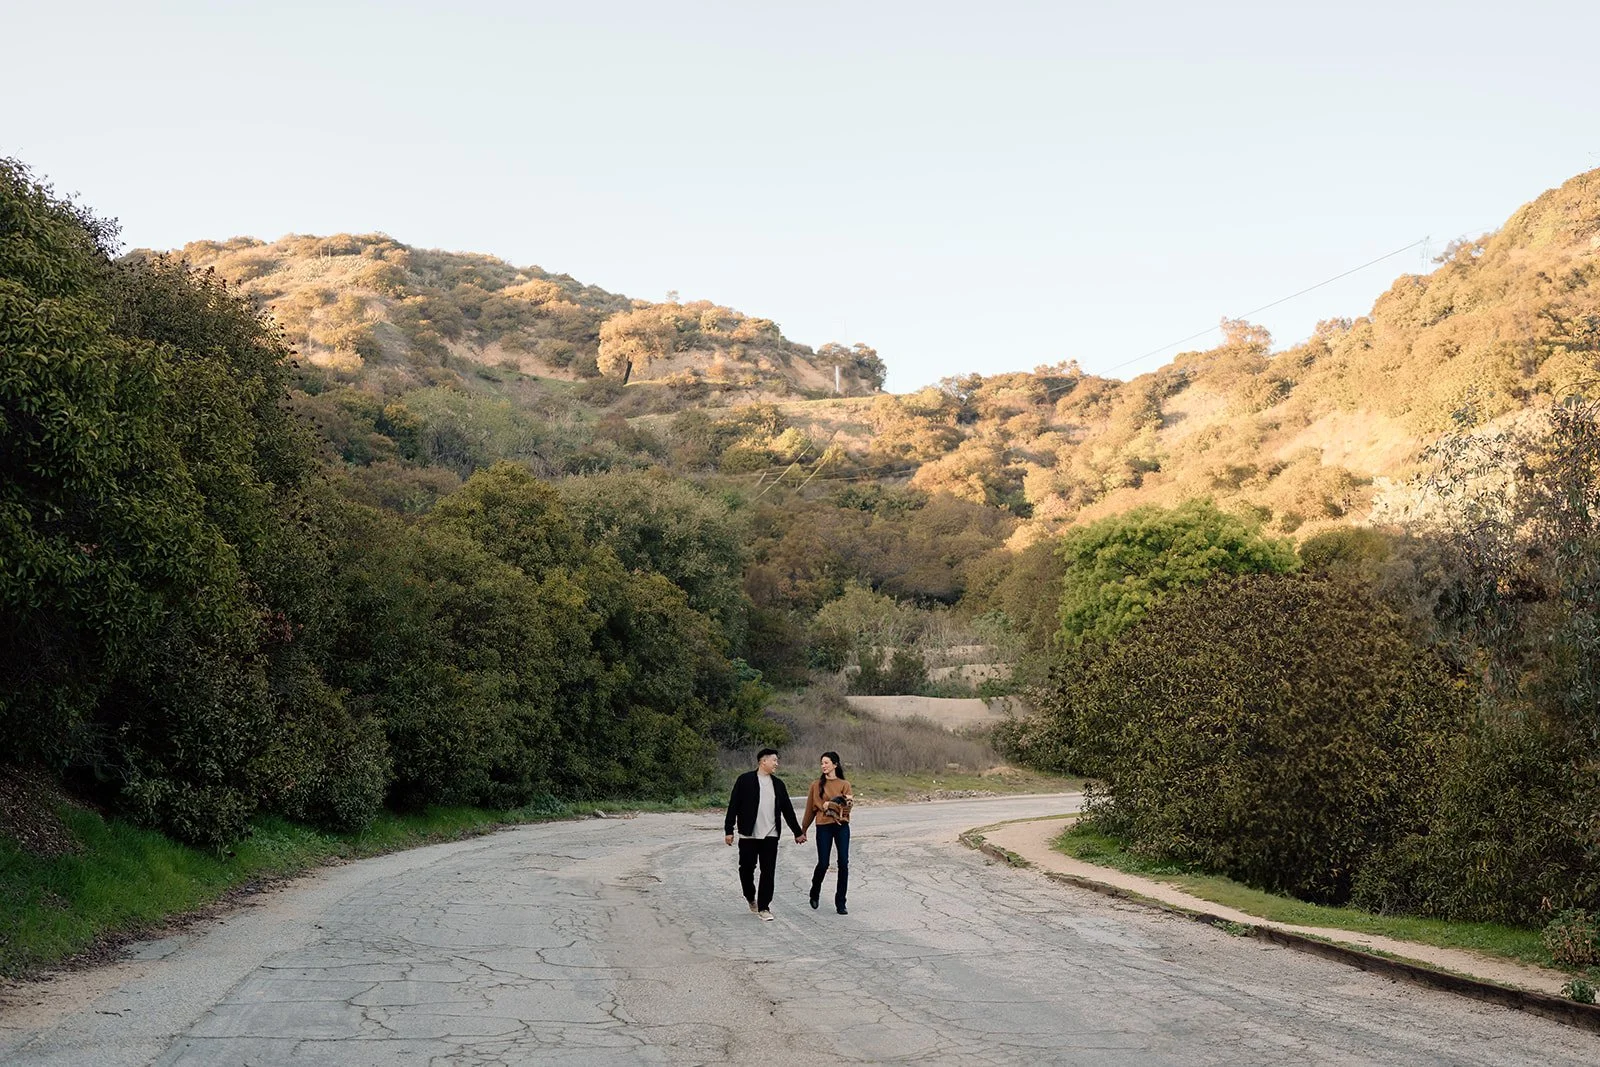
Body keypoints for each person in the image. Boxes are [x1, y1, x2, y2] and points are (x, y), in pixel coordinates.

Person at [724, 748, 805, 921]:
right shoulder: (744, 780)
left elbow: (787, 810)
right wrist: (729, 830)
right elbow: (734, 805)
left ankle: (764, 907)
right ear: (763, 761)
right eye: (774, 760)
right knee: (746, 869)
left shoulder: (778, 784)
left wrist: (798, 832)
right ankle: (750, 896)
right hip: (748, 834)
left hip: (771, 834)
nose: (777, 763)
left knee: (768, 871)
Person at [799, 750, 853, 915]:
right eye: (822, 763)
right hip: (823, 826)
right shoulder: (816, 785)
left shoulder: (845, 784)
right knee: (823, 863)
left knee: (843, 863)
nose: (823, 766)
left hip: (842, 826)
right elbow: (811, 809)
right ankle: (815, 891)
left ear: (835, 764)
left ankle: (841, 902)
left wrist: (829, 805)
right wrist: (803, 830)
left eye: (826, 763)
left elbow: (847, 806)